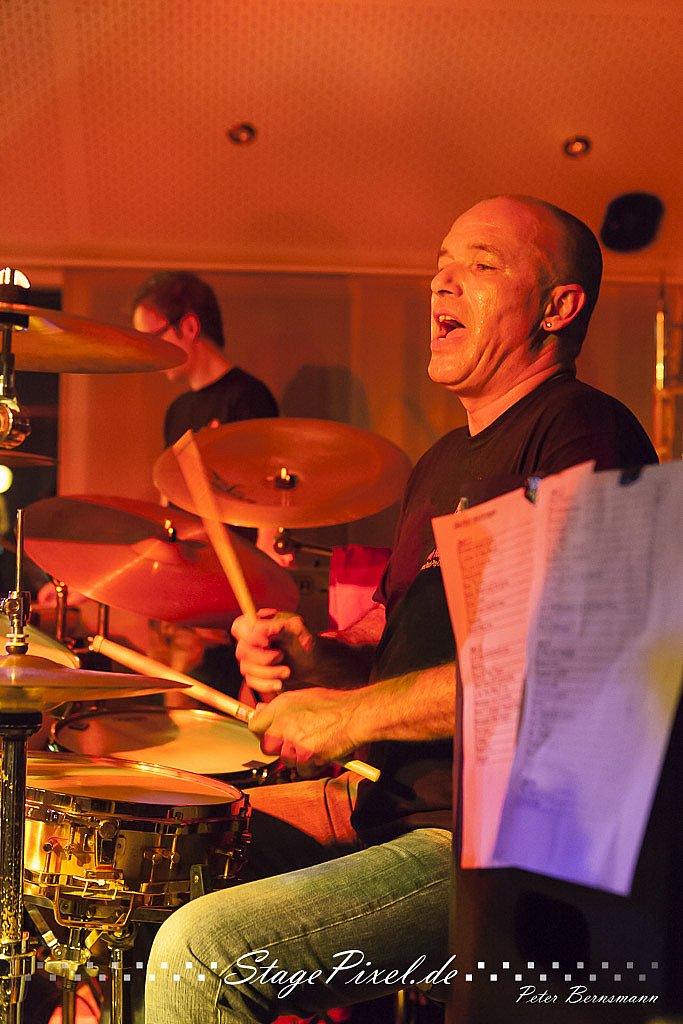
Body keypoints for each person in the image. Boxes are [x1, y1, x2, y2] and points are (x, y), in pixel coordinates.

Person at [143, 195, 657, 1024]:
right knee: (159, 862)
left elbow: (562, 673)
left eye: (480, 265)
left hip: (499, 854)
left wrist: (348, 718)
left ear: (558, 307)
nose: (441, 283)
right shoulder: (443, 461)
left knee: (204, 952)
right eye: (440, 264)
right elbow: (412, 659)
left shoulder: (582, 432)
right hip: (391, 811)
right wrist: (320, 661)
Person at [132, 270, 281, 695]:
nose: (150, 352)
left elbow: (271, 502)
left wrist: (258, 596)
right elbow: (171, 507)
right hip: (186, 595)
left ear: (189, 327)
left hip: (231, 599)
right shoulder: (177, 412)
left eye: (154, 337)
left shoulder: (248, 397)